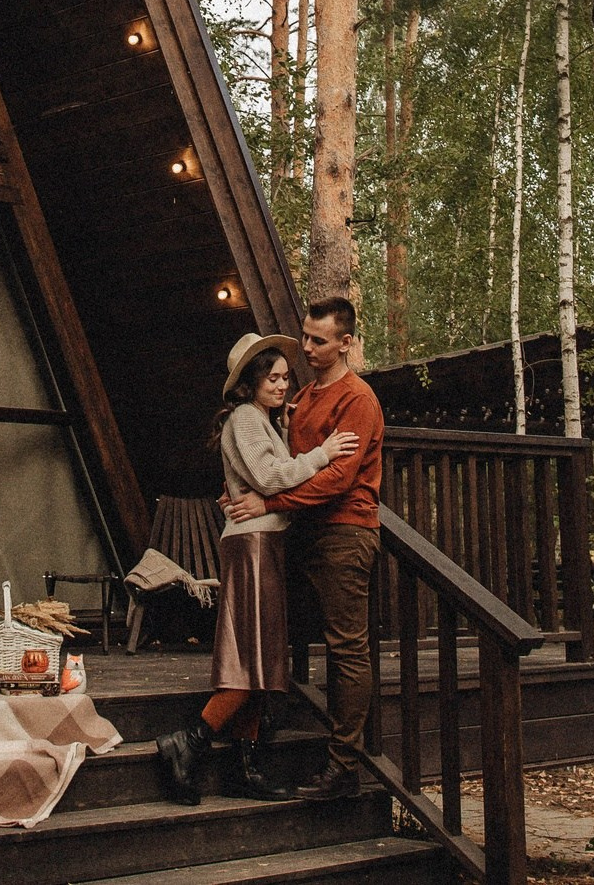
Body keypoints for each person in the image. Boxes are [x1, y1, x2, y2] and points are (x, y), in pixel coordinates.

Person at [155, 332, 359, 804]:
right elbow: (271, 476)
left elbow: (270, 473)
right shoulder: (245, 419)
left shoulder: (261, 422)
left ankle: (244, 767)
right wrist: (322, 454)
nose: (282, 385)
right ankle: (187, 741)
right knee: (251, 661)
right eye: (272, 378)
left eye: (286, 378)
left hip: (263, 542)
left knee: (260, 662)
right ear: (249, 383)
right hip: (252, 546)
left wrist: (288, 433)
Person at [222, 294, 383, 800]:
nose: (307, 349)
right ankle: (263, 735)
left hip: (345, 532)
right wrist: (243, 492)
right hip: (301, 533)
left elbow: (338, 477)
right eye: (306, 338)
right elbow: (274, 461)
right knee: (276, 637)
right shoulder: (305, 398)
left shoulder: (358, 399)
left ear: (346, 343)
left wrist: (269, 504)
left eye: (318, 341)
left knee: (345, 647)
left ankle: (343, 767)